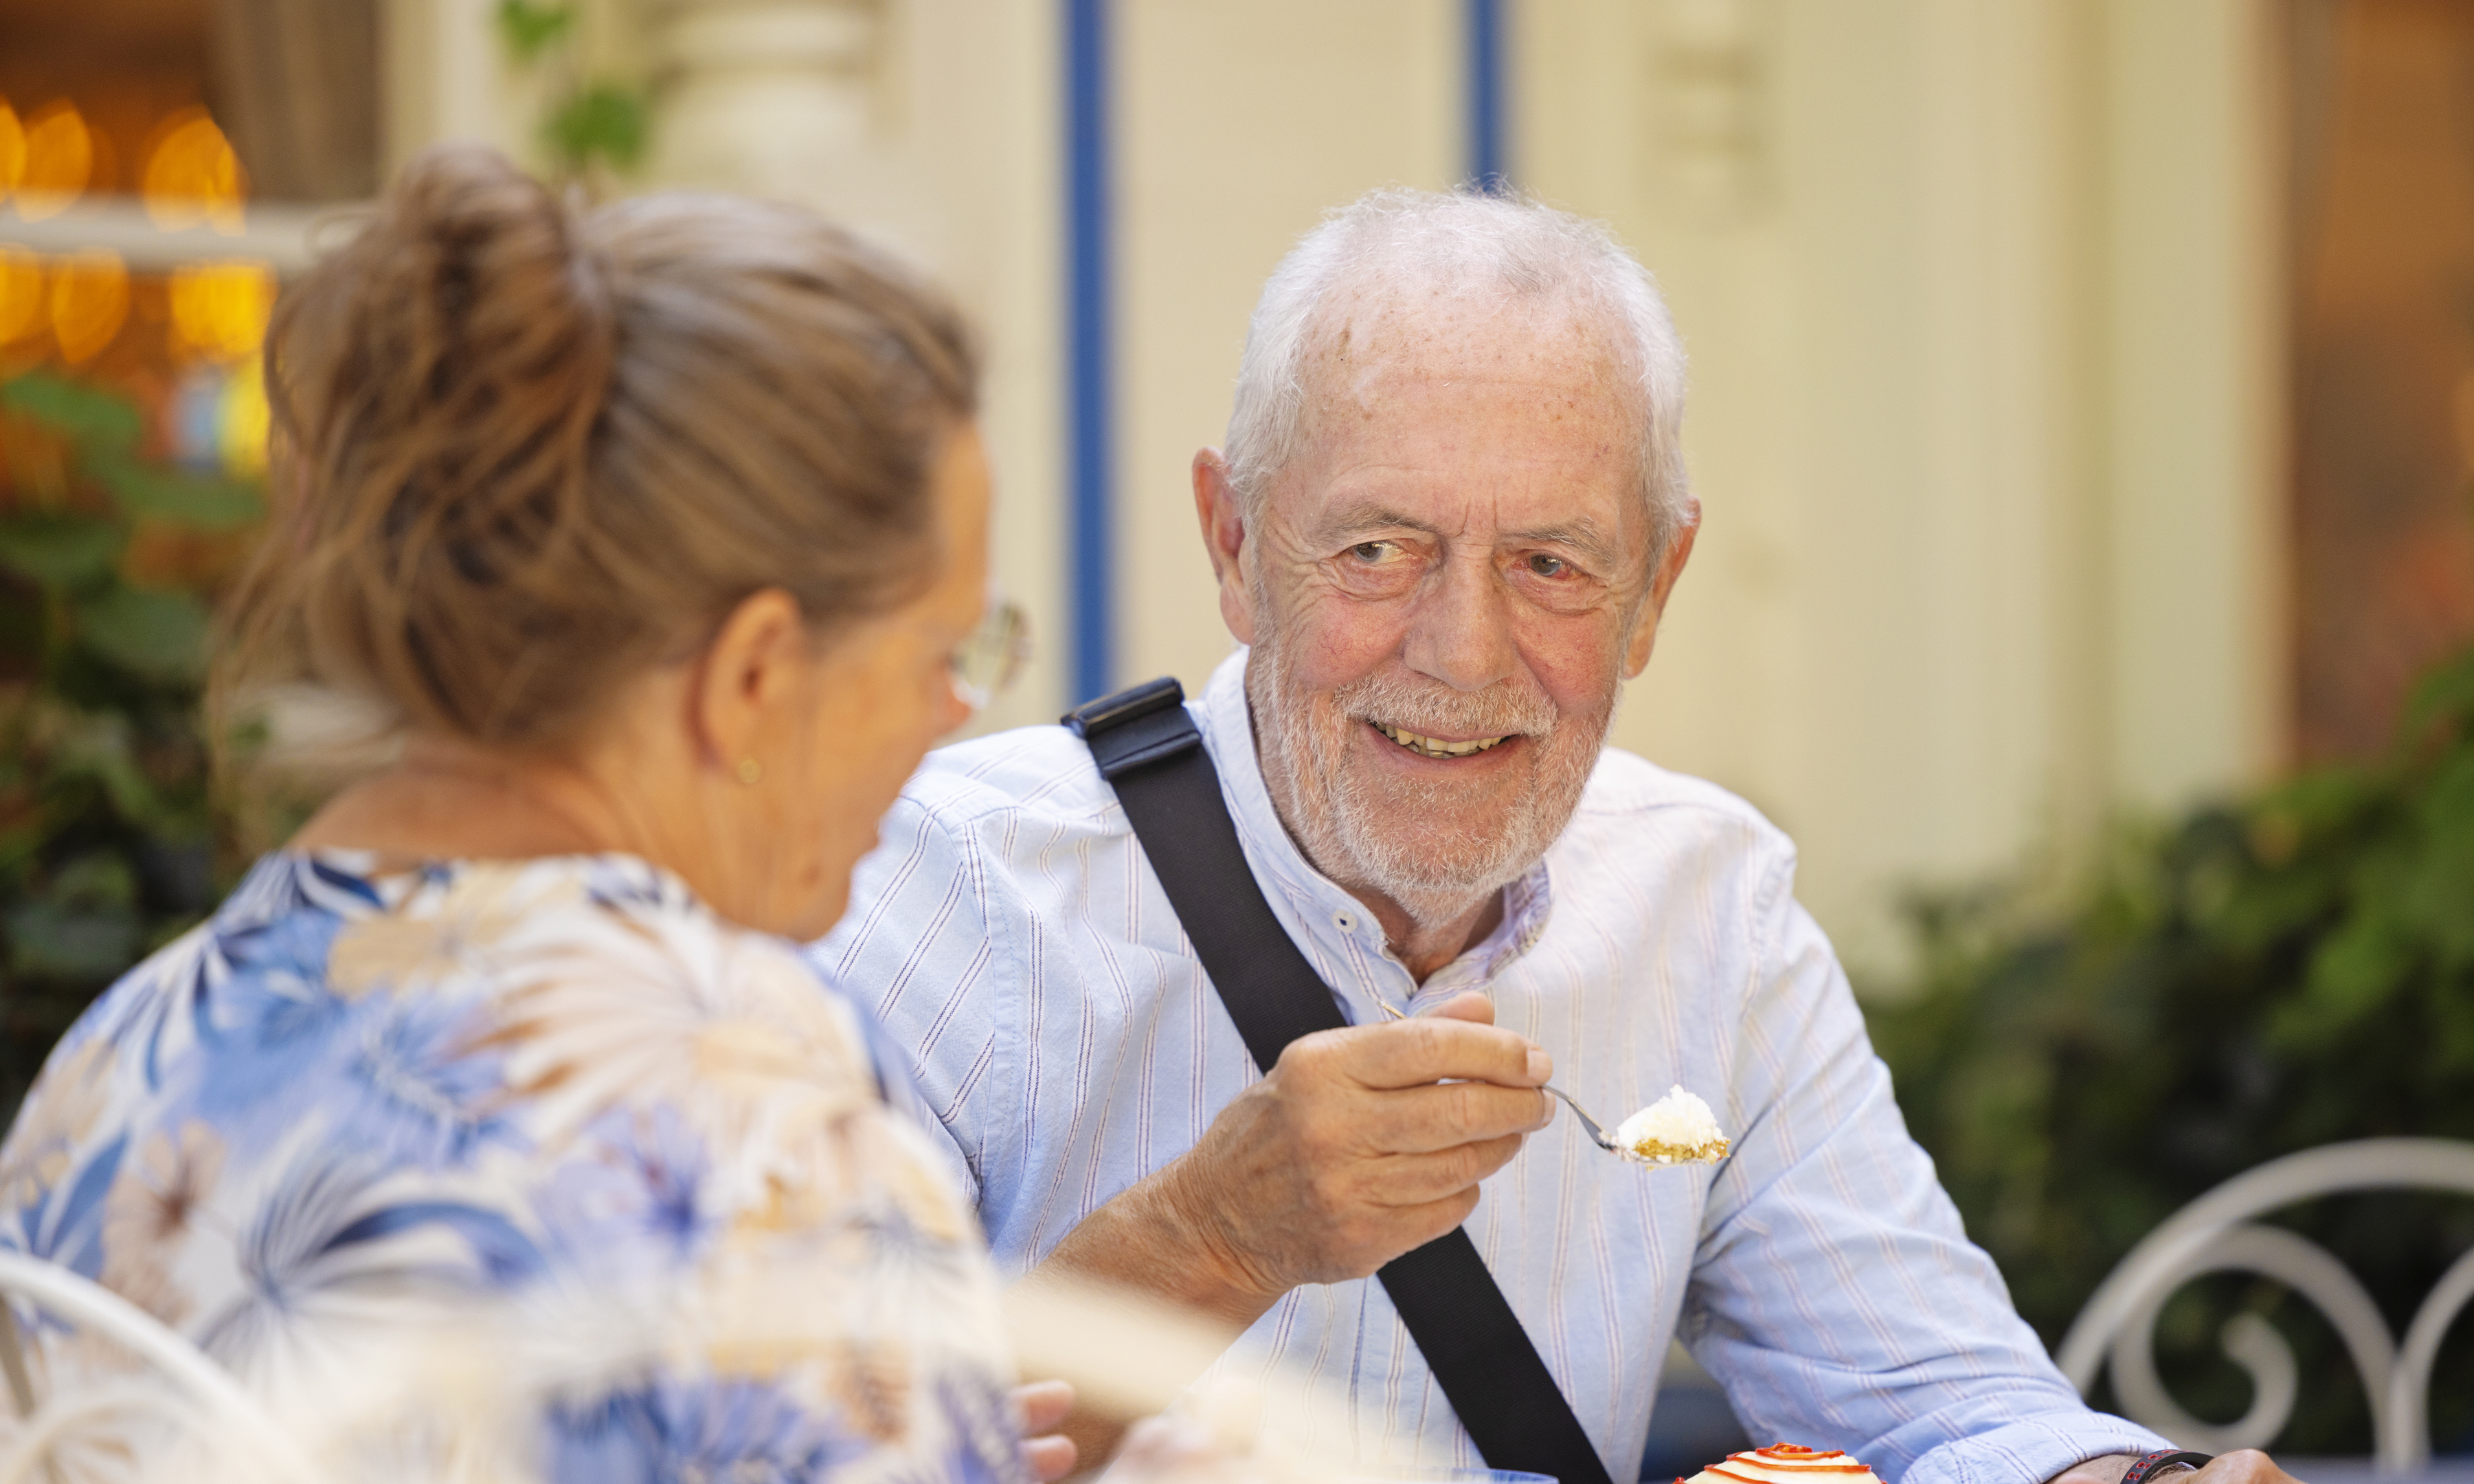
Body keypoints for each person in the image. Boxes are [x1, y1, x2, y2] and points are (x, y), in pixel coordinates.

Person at [814, 189, 2304, 1484]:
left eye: (1551, 564)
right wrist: (1214, 1235)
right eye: (1378, 550)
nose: (1463, 654)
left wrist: (2134, 1482)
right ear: (1233, 545)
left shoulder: (1709, 907)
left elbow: (1932, 1400)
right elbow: (818, 1447)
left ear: (1658, 585)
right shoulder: (940, 885)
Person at [0, 146, 1069, 1483]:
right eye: (944, 652)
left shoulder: (111, 1064)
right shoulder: (757, 1132)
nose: (956, 714)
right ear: (753, 674)